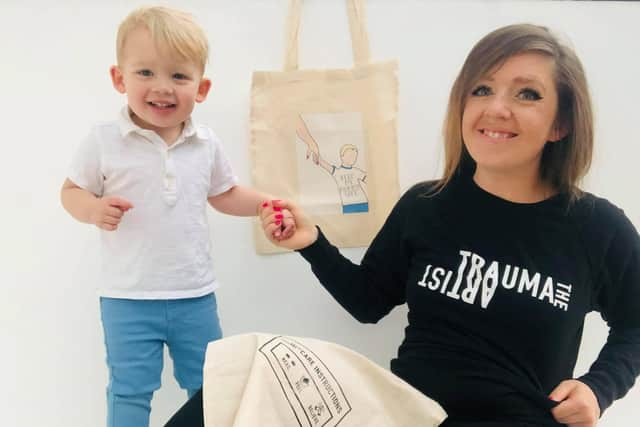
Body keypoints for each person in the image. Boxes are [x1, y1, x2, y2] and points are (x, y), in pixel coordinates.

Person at [258, 24, 640, 427]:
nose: (496, 108)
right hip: (407, 416)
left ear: (560, 124)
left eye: (527, 93)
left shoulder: (597, 228)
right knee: (248, 374)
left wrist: (599, 388)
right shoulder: (427, 205)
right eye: (481, 89)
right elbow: (368, 302)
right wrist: (311, 243)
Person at [60, 6, 292, 427]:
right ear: (119, 79)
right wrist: (93, 209)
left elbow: (224, 194)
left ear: (201, 88)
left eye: (178, 76)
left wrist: (263, 203)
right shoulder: (105, 141)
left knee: (211, 387)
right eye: (145, 73)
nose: (162, 88)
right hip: (128, 298)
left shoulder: (205, 143)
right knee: (130, 390)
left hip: (194, 296)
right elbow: (71, 191)